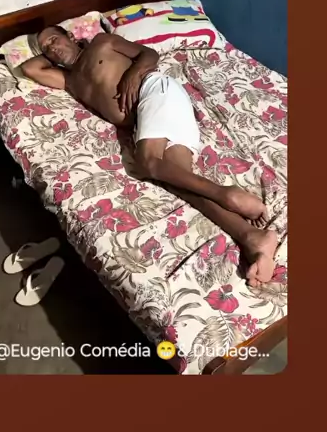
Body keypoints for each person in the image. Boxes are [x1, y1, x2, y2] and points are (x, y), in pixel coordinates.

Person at [22, 25, 277, 286]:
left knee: (147, 163)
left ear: (71, 36)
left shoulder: (101, 42)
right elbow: (30, 68)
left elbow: (149, 54)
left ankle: (228, 195)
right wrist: (49, 50)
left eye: (54, 39)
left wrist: (134, 74)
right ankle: (252, 238)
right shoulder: (70, 81)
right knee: (179, 182)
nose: (52, 47)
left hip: (155, 92)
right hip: (148, 121)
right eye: (45, 48)